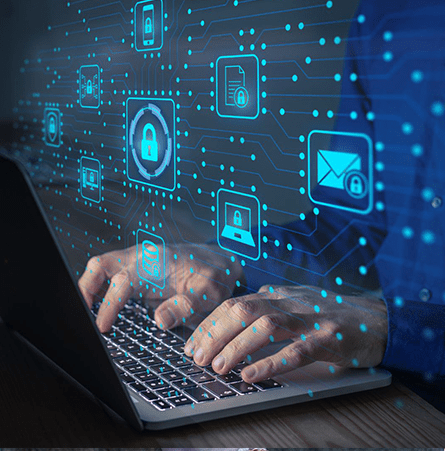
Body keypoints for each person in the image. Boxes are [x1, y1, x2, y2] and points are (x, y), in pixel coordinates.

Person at [79, 0, 445, 410]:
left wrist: (395, 327)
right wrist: (228, 261)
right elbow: (351, 223)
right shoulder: (383, 14)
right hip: (394, 392)